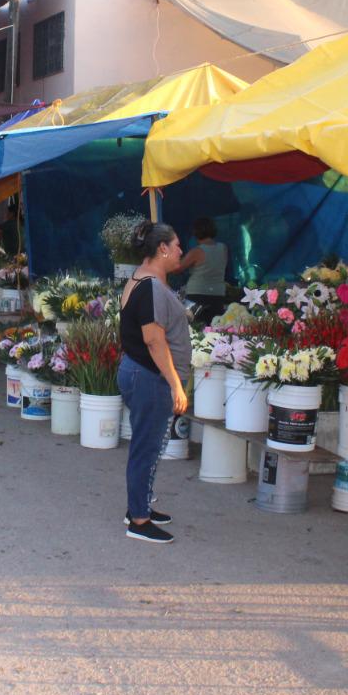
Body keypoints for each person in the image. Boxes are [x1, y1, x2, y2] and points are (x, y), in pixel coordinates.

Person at [117, 221, 190, 544]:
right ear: (162, 248)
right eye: (176, 246)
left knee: (148, 443)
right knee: (148, 446)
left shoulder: (140, 279)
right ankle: (139, 520)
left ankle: (140, 505)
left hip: (139, 372)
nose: (180, 252)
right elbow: (153, 340)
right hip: (149, 376)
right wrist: (175, 383)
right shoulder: (151, 287)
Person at [175, 217, 229, 322]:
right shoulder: (223, 248)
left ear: (196, 232)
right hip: (218, 294)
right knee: (215, 328)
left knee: (197, 330)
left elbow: (177, 269)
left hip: (197, 295)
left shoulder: (197, 251)